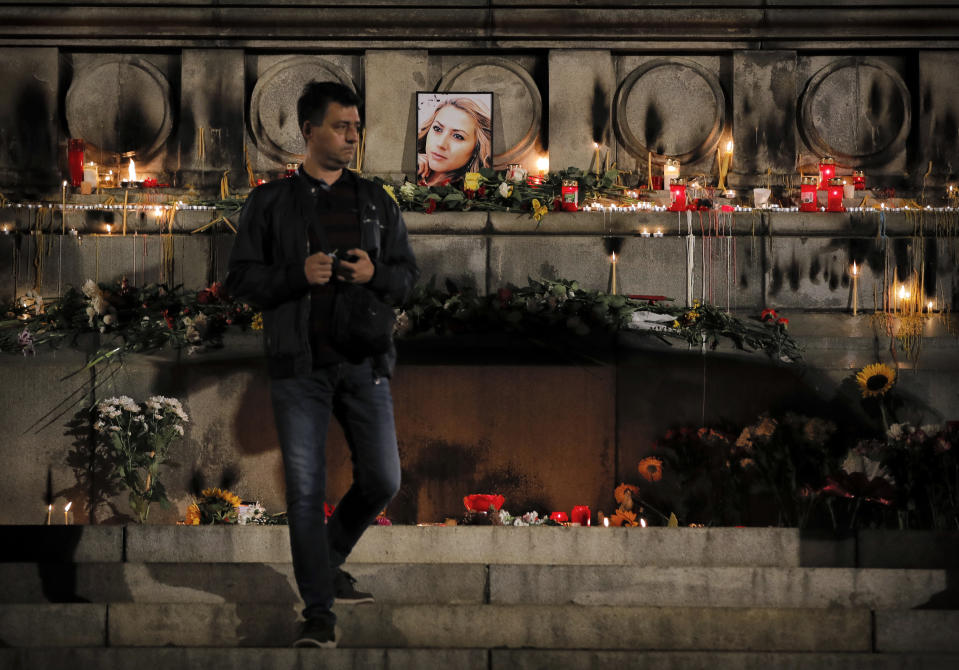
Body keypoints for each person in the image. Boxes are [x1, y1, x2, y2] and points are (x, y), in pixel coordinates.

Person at [225, 80, 419, 648]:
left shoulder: (377, 202)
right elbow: (239, 280)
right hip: (299, 366)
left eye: (356, 127)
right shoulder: (270, 202)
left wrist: (375, 276)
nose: (352, 137)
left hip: (365, 363)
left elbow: (407, 276)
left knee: (383, 478)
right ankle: (318, 612)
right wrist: (294, 275)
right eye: (341, 126)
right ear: (308, 132)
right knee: (306, 493)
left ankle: (327, 559)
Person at [416, 96, 492, 186]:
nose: (440, 144)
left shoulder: (471, 195)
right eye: (437, 129)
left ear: (477, 148)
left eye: (458, 136)